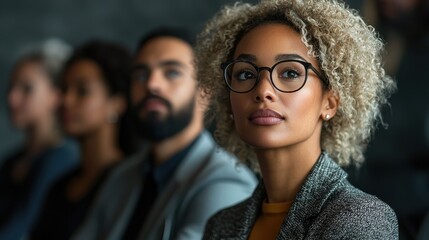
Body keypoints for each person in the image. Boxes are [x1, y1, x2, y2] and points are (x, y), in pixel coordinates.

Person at [196, 0, 398, 239]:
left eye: (290, 73)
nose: (263, 90)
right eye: (246, 74)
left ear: (330, 103)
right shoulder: (221, 225)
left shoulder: (361, 219)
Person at [72, 28, 257, 240]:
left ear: (205, 91)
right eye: (141, 75)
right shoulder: (121, 177)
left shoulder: (227, 183)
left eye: (172, 72)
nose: (152, 84)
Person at [30, 40, 133, 239]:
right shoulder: (59, 187)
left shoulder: (130, 182)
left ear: (116, 104)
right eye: (64, 89)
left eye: (82, 91)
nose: (66, 101)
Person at [0, 39, 79, 240]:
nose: (12, 98)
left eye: (26, 89)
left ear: (56, 95)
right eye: (11, 87)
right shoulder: (12, 161)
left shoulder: (62, 159)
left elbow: (20, 229)